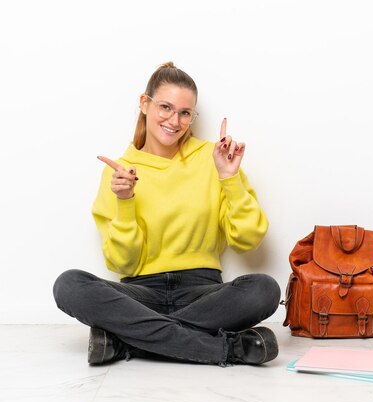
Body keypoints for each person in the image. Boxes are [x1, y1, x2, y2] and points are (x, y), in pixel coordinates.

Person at [53, 62, 280, 366]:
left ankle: (125, 342)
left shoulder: (214, 159)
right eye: (165, 107)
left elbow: (248, 239)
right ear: (144, 104)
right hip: (140, 294)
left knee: (264, 289)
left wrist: (229, 178)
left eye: (185, 112)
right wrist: (124, 200)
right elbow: (123, 262)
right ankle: (228, 349)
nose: (175, 120)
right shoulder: (120, 172)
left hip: (203, 292)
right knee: (69, 285)